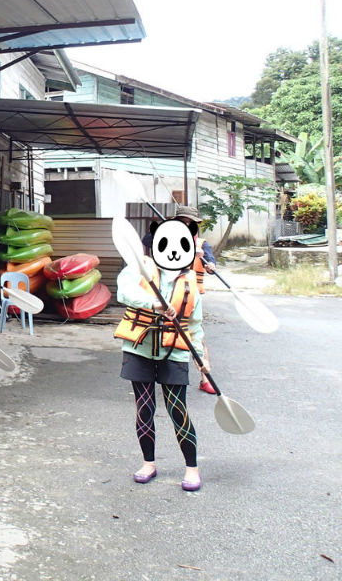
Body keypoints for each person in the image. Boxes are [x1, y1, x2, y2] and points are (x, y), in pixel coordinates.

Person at [114, 217, 209, 492]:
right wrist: (155, 303)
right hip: (139, 347)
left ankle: (192, 468)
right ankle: (148, 463)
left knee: (178, 409)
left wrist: (201, 359)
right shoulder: (139, 268)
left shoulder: (189, 281)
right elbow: (125, 293)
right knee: (144, 408)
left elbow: (195, 325)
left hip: (174, 350)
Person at [176, 206, 218, 395]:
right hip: (167, 295)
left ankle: (205, 378)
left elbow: (211, 263)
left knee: (196, 335)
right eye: (182, 222)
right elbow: (147, 240)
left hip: (191, 297)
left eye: (190, 223)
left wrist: (210, 265)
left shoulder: (201, 244)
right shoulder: (164, 237)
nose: (186, 225)